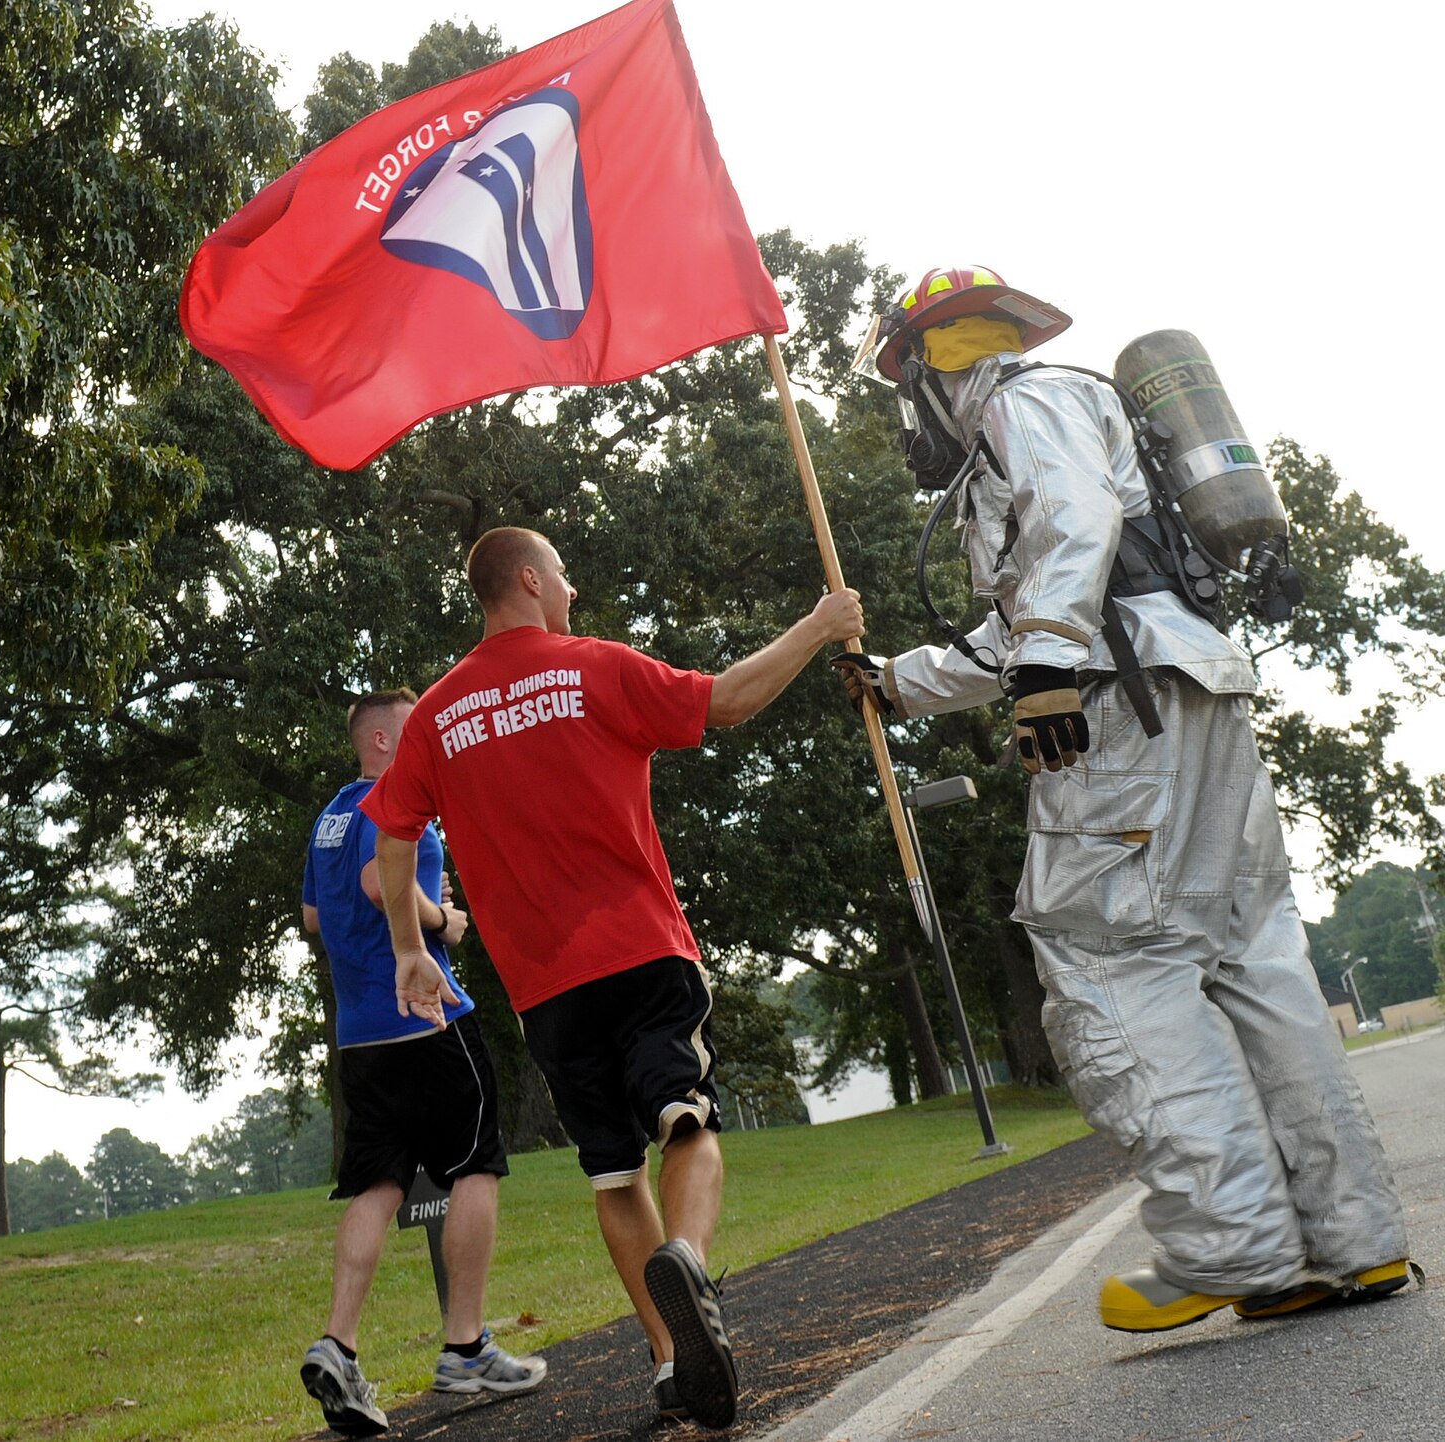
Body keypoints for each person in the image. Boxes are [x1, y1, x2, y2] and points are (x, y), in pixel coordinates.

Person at [837, 264, 1412, 1333]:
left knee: (1108, 958)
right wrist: (900, 680)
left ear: (925, 362)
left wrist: (1049, 660)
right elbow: (1050, 590)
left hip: (1117, 708)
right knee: (1250, 957)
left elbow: (1069, 521)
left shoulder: (1021, 401)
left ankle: (1235, 1244)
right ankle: (1351, 1236)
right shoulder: (1063, 406)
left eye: (898, 379)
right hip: (1191, 694)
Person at [362, 527, 865, 1430]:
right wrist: (820, 627)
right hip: (640, 949)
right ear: (526, 578)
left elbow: (393, 839)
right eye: (560, 571)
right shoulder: (591, 666)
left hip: (543, 986)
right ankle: (688, 1261)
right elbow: (727, 700)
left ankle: (674, 1364)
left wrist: (409, 949)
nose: (573, 585)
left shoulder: (435, 716)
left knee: (610, 1172)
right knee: (689, 1122)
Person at [297, 688, 546, 1437]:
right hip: (428, 1019)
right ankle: (466, 1348)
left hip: (361, 1038)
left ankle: (338, 1344)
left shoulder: (329, 817)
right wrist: (446, 919)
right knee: (477, 1164)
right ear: (379, 740)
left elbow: (315, 917)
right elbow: (382, 884)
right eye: (413, 731)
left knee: (376, 1184)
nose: (426, 741)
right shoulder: (398, 803)